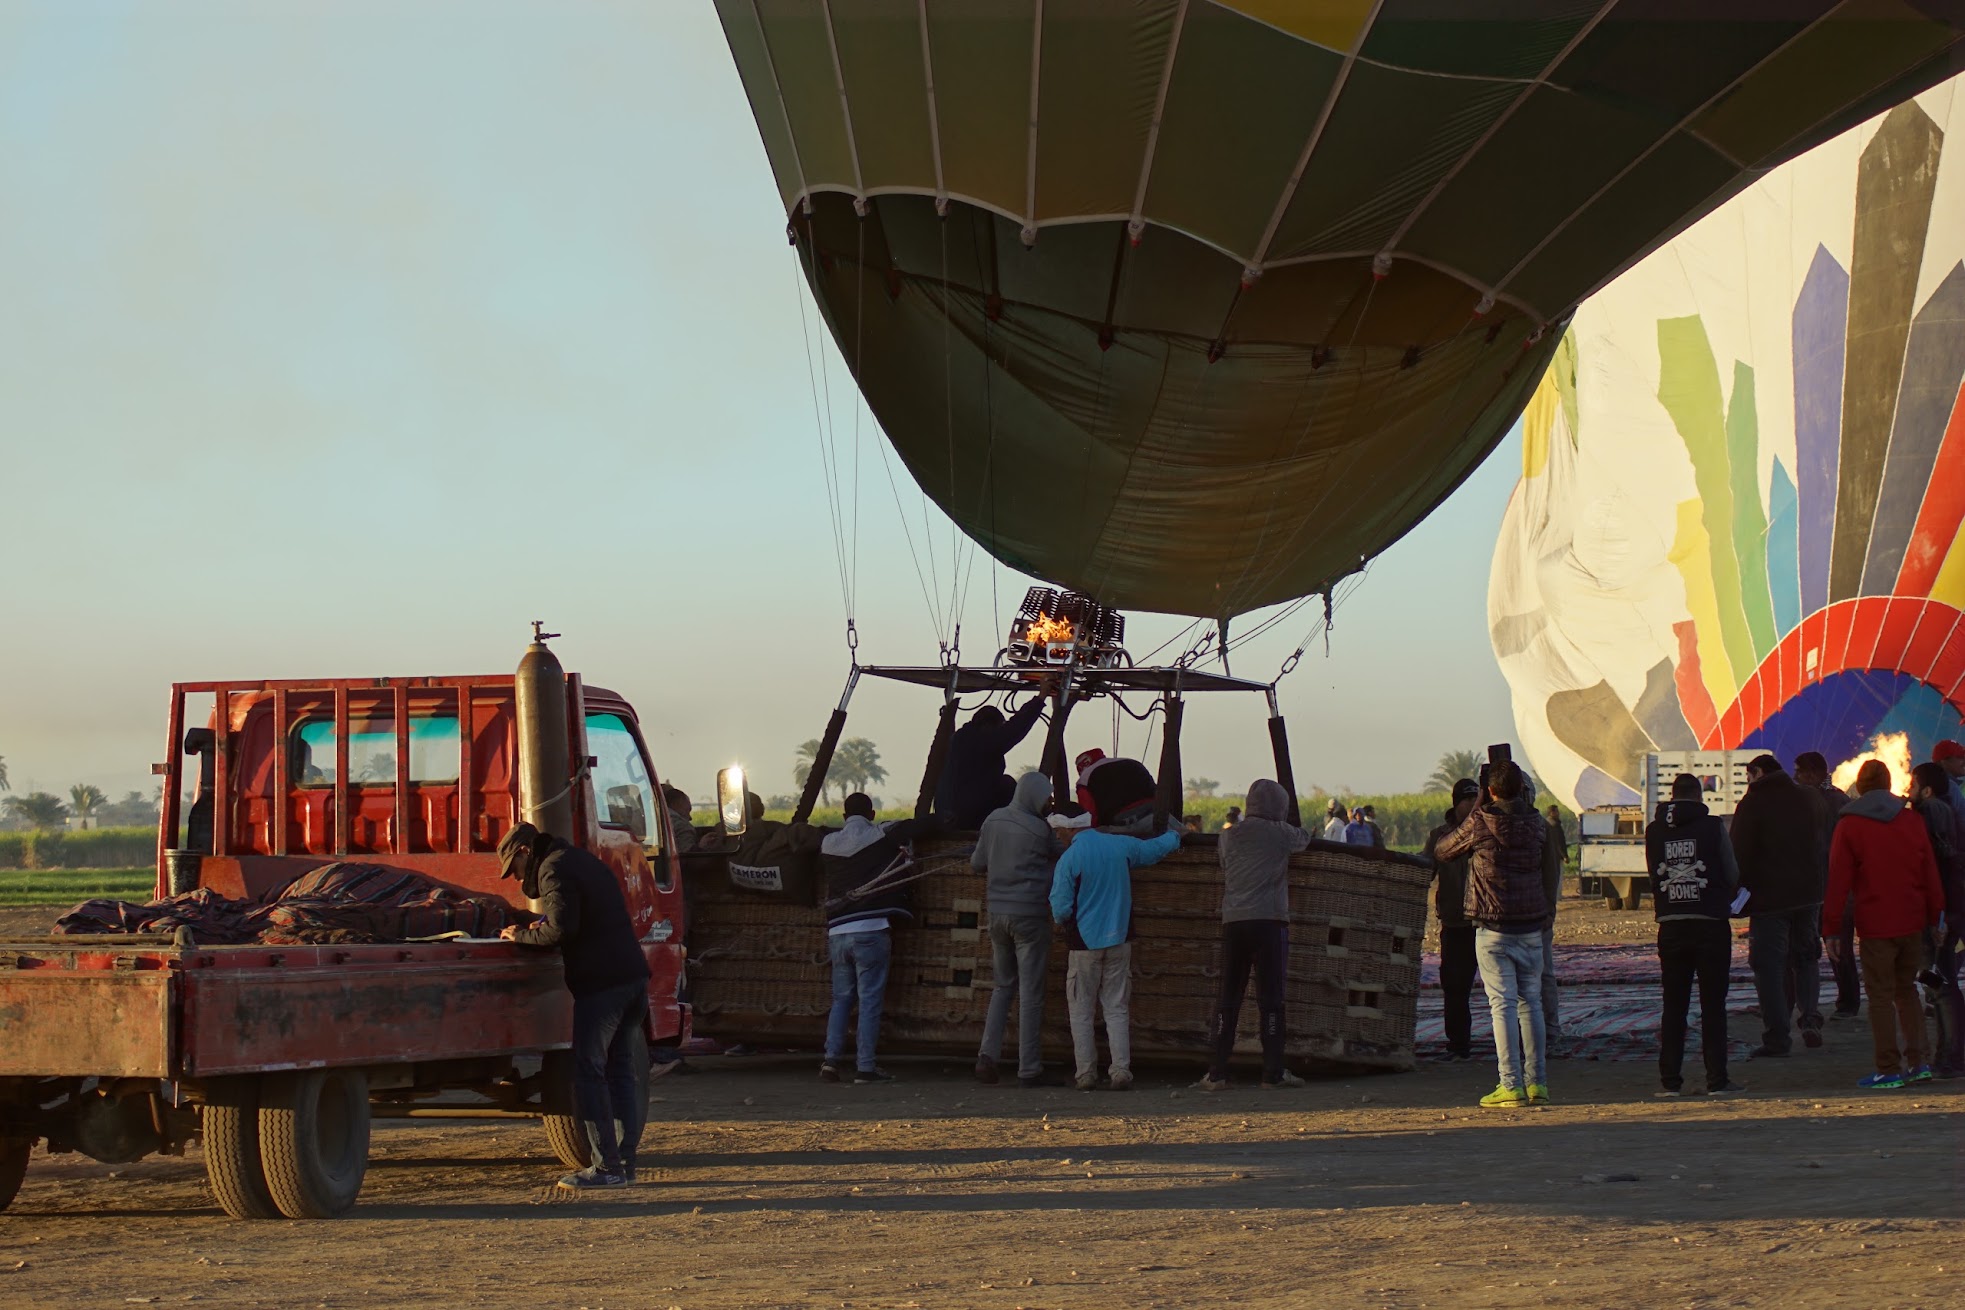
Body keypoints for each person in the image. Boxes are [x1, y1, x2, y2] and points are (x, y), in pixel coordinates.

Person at [497, 822, 651, 1189]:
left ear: (524, 853)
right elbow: (576, 917)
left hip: (602, 987)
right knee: (620, 1073)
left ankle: (606, 1168)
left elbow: (563, 930)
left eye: (514, 870)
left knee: (589, 1074)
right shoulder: (581, 859)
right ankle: (624, 1165)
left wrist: (520, 935)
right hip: (631, 979)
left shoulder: (553, 869)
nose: (515, 879)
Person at [1434, 762, 1552, 1107]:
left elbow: (1444, 850)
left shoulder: (1481, 822)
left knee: (1501, 1006)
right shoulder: (1537, 824)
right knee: (1530, 1004)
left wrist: (1477, 809)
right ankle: (1538, 1083)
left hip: (1493, 926)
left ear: (1491, 791)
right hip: (1530, 925)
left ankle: (1510, 1084)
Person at [1826, 760, 1945, 1087]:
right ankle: (1918, 1063)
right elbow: (1929, 873)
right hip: (1912, 920)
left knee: (1879, 996)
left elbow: (1837, 881)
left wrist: (1831, 928)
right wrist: (1936, 917)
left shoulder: (1849, 825)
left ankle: (1888, 1068)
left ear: (1860, 787)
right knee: (1906, 990)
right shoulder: (1910, 819)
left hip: (1876, 922)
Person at [1050, 805, 1182, 1091]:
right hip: (1120, 939)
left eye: (1058, 831)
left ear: (1069, 829)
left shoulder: (1070, 858)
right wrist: (1175, 836)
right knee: (1116, 1007)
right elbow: (1153, 850)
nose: (1057, 836)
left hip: (1083, 944)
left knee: (1081, 1010)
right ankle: (1120, 1070)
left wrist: (1063, 922)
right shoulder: (1118, 846)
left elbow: (1060, 906)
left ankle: (1085, 1073)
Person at [1195, 779, 1310, 1091]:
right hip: (1269, 922)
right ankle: (1272, 1072)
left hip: (1233, 921)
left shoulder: (1228, 836)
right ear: (1279, 806)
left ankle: (1217, 1072)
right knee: (1270, 1000)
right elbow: (1305, 839)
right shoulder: (1281, 833)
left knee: (1228, 999)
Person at [819, 793, 938, 1084]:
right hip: (871, 930)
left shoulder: (828, 844)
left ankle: (831, 1062)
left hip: (837, 932)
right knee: (869, 1001)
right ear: (871, 814)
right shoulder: (882, 834)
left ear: (844, 815)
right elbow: (926, 825)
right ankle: (865, 1068)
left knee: (841, 1000)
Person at [1646, 773, 1743, 1096]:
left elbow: (1651, 875)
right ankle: (1717, 1080)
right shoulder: (1713, 827)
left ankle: (1669, 1081)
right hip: (1710, 924)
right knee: (1713, 1005)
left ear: (1672, 796)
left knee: (1674, 1007)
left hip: (1671, 925)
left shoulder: (1653, 831)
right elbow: (1731, 872)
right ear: (1700, 796)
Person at [1730, 753, 1827, 1057]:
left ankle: (1777, 1037)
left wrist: (1737, 894)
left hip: (1770, 900)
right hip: (1809, 895)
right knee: (1806, 958)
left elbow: (1738, 854)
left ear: (1757, 772)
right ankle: (1810, 1018)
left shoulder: (1752, 804)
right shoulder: (1809, 798)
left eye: (1749, 776)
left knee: (1769, 968)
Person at [971, 773, 1062, 1088]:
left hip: (997, 915)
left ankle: (987, 1057)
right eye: (1047, 797)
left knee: (1002, 987)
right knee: (1031, 994)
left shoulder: (992, 820)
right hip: (1030, 917)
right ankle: (1029, 1069)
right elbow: (1060, 857)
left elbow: (976, 863)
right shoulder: (1039, 829)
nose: (1048, 802)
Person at [1909, 763, 1965, 1077]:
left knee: (1940, 983)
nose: (1908, 792)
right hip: (1948, 909)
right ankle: (1950, 1054)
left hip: (1939, 912)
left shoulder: (1930, 814)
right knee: (1941, 981)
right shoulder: (1951, 809)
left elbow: (1936, 871)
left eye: (1913, 785)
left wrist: (1939, 917)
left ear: (1927, 790)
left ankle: (1952, 1057)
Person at [1794, 750, 1857, 1018]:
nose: (1795, 777)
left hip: (1820, 886)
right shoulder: (1842, 800)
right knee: (1838, 947)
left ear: (1811, 773)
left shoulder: (1807, 803)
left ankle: (1840, 1003)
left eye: (1798, 772)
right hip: (1838, 885)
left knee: (1815, 949)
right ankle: (1847, 1001)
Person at [1423, 779, 1481, 1061]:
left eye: (1475, 800)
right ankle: (1459, 1043)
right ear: (1456, 804)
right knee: (1454, 986)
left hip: (1483, 924)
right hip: (1454, 924)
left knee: (1500, 988)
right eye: (1466, 801)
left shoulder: (1485, 831)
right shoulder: (1439, 837)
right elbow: (1425, 871)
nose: (1470, 806)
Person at [936, 700, 1046, 828]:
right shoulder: (980, 740)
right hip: (965, 815)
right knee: (1007, 784)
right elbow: (1013, 730)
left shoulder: (962, 739)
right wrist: (1040, 699)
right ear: (990, 725)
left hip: (949, 813)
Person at [1524, 775, 1564, 1039]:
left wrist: (1549, 909)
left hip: (1535, 914)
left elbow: (1550, 872)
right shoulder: (1494, 824)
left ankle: (1549, 1026)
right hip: (1515, 915)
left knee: (1543, 973)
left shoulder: (1541, 828)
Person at [661, 785, 699, 855]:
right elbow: (688, 859)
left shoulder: (654, 822)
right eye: (688, 810)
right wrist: (702, 847)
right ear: (676, 804)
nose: (690, 818)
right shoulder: (681, 826)